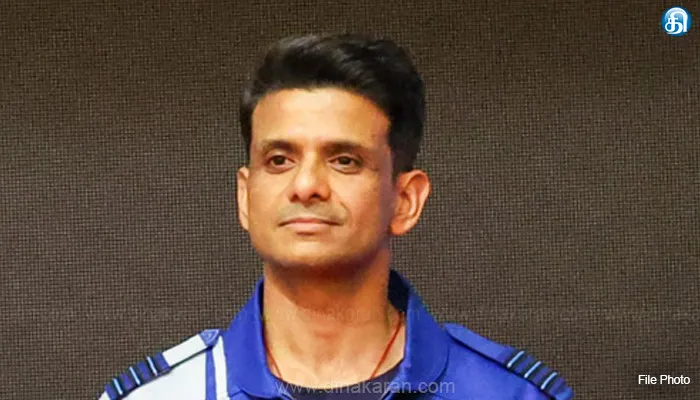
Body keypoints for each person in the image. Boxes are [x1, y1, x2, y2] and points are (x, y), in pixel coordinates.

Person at [98, 33, 574, 400]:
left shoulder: (511, 394)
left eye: (344, 160)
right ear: (245, 196)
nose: (306, 185)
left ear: (405, 200)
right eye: (279, 160)